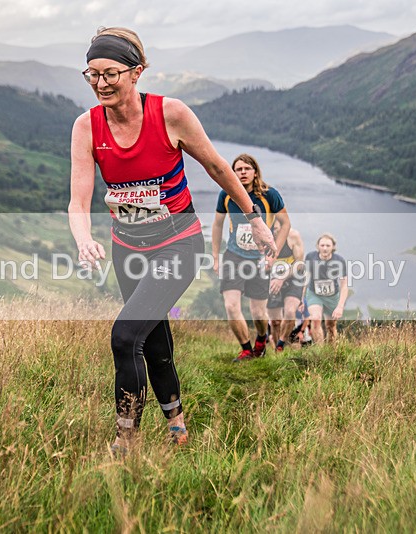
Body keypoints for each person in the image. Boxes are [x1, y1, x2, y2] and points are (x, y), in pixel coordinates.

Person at [68, 27, 276, 455]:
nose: (101, 83)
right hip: (128, 250)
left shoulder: (170, 114)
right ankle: (178, 427)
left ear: (137, 72)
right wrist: (84, 238)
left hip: (178, 244)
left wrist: (253, 219)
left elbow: (218, 168)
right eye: (92, 74)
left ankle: (125, 441)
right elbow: (77, 201)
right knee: (153, 342)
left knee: (125, 337)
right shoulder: (86, 127)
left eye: (111, 74)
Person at [211, 154, 290, 362]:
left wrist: (274, 255)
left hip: (260, 259)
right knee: (231, 305)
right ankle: (246, 349)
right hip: (234, 256)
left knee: (258, 312)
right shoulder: (226, 194)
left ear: (255, 171)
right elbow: (218, 224)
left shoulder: (269, 195)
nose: (243, 172)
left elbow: (285, 224)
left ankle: (262, 339)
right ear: (233, 173)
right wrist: (216, 256)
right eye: (238, 169)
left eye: (247, 168)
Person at [267, 218, 305, 352]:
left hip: (293, 277)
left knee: (289, 312)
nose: (276, 233)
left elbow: (300, 264)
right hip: (271, 279)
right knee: (275, 321)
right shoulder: (263, 238)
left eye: (278, 229)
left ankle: (281, 344)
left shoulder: (293, 236)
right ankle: (278, 351)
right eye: (272, 231)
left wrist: (282, 278)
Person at [304, 233, 349, 344]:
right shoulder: (310, 257)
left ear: (333, 247)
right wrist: (301, 299)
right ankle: (320, 352)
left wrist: (340, 307)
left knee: (330, 326)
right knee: (315, 319)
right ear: (317, 246)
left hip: (332, 295)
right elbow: (305, 278)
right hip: (314, 293)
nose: (324, 248)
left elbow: (344, 286)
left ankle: (331, 352)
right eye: (322, 245)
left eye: (328, 246)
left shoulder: (339, 261)